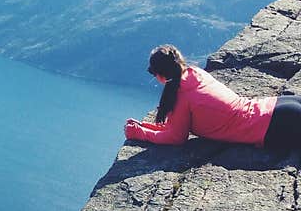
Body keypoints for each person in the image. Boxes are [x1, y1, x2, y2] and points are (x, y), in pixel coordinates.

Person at [123, 44, 301, 150]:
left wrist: (141, 133)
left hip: (271, 126)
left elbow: (176, 138)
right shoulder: (195, 73)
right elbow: (178, 125)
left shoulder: (180, 96)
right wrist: (153, 127)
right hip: (277, 107)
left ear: (160, 74)